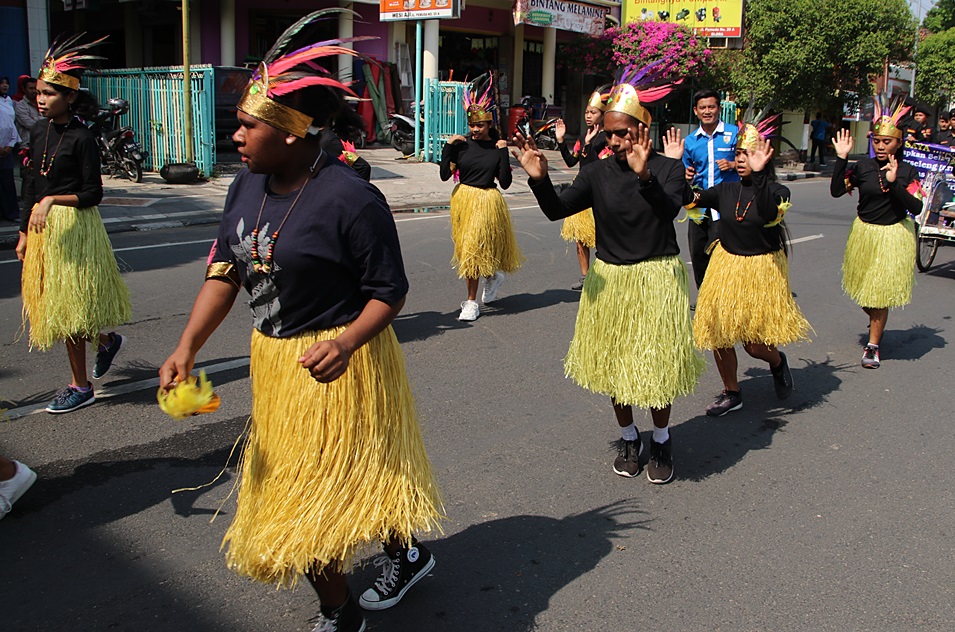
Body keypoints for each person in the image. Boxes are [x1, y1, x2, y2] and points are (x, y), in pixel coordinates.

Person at [157, 11, 443, 632]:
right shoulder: (244, 186)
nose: (235, 135)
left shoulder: (350, 199)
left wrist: (346, 342)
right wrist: (187, 347)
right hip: (278, 364)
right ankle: (396, 561)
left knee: (354, 473)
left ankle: (342, 610)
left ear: (290, 133)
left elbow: (388, 292)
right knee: (322, 481)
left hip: (343, 365)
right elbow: (225, 272)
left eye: (247, 124)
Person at [511, 67, 705, 485]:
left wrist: (645, 175)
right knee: (616, 366)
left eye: (623, 133)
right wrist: (539, 178)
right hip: (611, 281)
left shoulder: (668, 170)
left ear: (642, 130)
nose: (614, 141)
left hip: (656, 279)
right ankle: (629, 436)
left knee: (656, 368)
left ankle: (662, 438)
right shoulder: (596, 172)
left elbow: (669, 210)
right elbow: (557, 209)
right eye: (611, 133)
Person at [17, 35, 131, 412]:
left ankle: (80, 387)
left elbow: (93, 193)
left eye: (49, 93)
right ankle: (105, 342)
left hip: (75, 227)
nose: (40, 98)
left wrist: (52, 200)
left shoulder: (82, 137)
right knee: (67, 311)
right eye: (39, 92)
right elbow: (32, 182)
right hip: (42, 227)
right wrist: (22, 231)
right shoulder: (38, 131)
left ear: (69, 97)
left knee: (69, 312)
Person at [688, 116, 810, 416]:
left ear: (764, 157)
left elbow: (769, 212)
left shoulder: (779, 192)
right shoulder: (725, 192)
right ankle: (732, 391)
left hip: (760, 270)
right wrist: (681, 172)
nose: (742, 159)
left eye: (749, 154)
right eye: (739, 154)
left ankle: (777, 362)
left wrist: (758, 176)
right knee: (718, 332)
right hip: (726, 266)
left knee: (753, 346)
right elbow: (690, 200)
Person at [830, 97, 922, 369]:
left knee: (879, 294)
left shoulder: (907, 171)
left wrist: (894, 185)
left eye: (887, 141)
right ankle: (877, 320)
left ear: (899, 142)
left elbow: (916, 207)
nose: (881, 146)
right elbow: (836, 190)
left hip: (893, 236)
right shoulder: (863, 167)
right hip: (864, 234)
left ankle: (872, 346)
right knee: (861, 292)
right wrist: (841, 158)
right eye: (877, 141)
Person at [439, 73, 522, 322]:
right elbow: (445, 175)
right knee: (469, 250)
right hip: (463, 200)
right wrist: (448, 147)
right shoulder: (461, 145)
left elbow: (505, 183)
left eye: (480, 125)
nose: (475, 129)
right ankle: (492, 277)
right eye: (472, 125)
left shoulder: (496, 147)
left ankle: (471, 303)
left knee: (473, 251)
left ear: (489, 124)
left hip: (487, 201)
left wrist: (504, 152)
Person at [680, 88, 739, 291]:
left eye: (711, 107)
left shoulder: (733, 134)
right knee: (698, 253)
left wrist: (733, 165)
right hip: (699, 206)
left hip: (726, 205)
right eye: (702, 107)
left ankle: (723, 296)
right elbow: (686, 171)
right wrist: (687, 176)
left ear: (719, 109)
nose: (707, 111)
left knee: (722, 254)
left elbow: (750, 162)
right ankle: (704, 295)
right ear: (696, 111)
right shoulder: (690, 141)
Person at [553, 87, 609, 290]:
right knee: (580, 239)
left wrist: (588, 145)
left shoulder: (609, 137)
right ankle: (586, 277)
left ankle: (605, 275)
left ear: (603, 115)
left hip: (601, 192)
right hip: (583, 191)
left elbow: (600, 163)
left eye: (593, 112)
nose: (588, 115)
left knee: (603, 238)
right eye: (586, 112)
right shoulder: (584, 136)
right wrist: (561, 140)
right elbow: (571, 161)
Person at [0, 100, 18, 221]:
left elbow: (14, 133)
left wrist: (8, 148)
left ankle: (11, 214)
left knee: (8, 186)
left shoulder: (4, 115)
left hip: (6, 155)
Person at [14, 76, 42, 144]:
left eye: (35, 88)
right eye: (30, 88)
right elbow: (30, 124)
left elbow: (51, 120)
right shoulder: (20, 106)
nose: (34, 91)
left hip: (43, 142)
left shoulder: (43, 103)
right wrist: (43, 120)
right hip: (28, 145)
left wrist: (35, 118)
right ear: (24, 89)